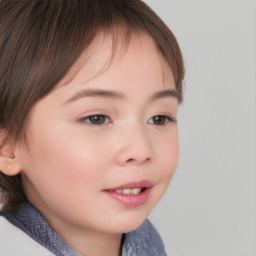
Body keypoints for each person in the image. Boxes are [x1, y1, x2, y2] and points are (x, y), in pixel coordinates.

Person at [0, 0, 184, 255]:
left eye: (159, 118)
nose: (141, 150)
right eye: (96, 118)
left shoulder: (148, 245)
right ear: (7, 148)